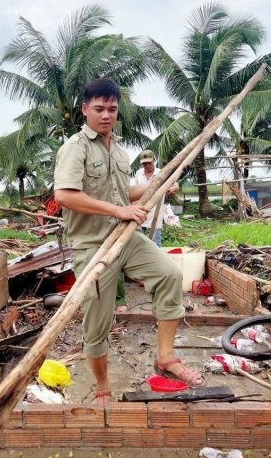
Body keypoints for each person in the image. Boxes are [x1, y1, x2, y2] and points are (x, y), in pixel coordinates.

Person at [54, 78, 203, 405]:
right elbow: (64, 195)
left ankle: (165, 358)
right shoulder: (75, 148)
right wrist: (119, 209)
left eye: (112, 109)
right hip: (93, 246)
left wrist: (157, 187)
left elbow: (125, 194)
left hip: (125, 237)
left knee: (169, 274)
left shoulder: (119, 150)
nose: (106, 115)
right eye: (99, 109)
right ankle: (103, 387)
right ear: (85, 109)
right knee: (97, 322)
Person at [131, 149, 179, 247]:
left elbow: (175, 184)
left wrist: (174, 187)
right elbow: (135, 190)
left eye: (149, 163)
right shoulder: (139, 173)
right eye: (144, 164)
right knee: (139, 242)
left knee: (156, 243)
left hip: (155, 213)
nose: (147, 166)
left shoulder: (161, 173)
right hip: (141, 211)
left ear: (154, 161)